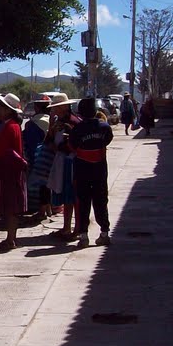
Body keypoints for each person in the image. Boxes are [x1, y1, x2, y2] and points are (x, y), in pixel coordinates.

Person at [0, 93, 28, 250]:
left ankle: (10, 239)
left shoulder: (9, 127)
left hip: (9, 171)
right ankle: (12, 238)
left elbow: (1, 149)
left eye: (0, 107)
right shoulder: (14, 126)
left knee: (10, 206)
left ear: (7, 110)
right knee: (12, 206)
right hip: (13, 170)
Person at [70, 97, 114, 247]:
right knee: (101, 201)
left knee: (83, 202)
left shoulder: (77, 129)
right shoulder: (105, 127)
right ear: (95, 111)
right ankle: (104, 233)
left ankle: (83, 236)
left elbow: (72, 146)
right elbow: (108, 140)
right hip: (100, 169)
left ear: (81, 113)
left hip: (82, 169)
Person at [46, 93, 80, 240]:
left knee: (72, 196)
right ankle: (67, 227)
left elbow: (73, 145)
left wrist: (58, 146)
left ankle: (75, 229)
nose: (54, 111)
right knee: (67, 197)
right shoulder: (59, 122)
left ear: (64, 107)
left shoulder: (72, 123)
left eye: (56, 108)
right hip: (62, 161)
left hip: (70, 162)